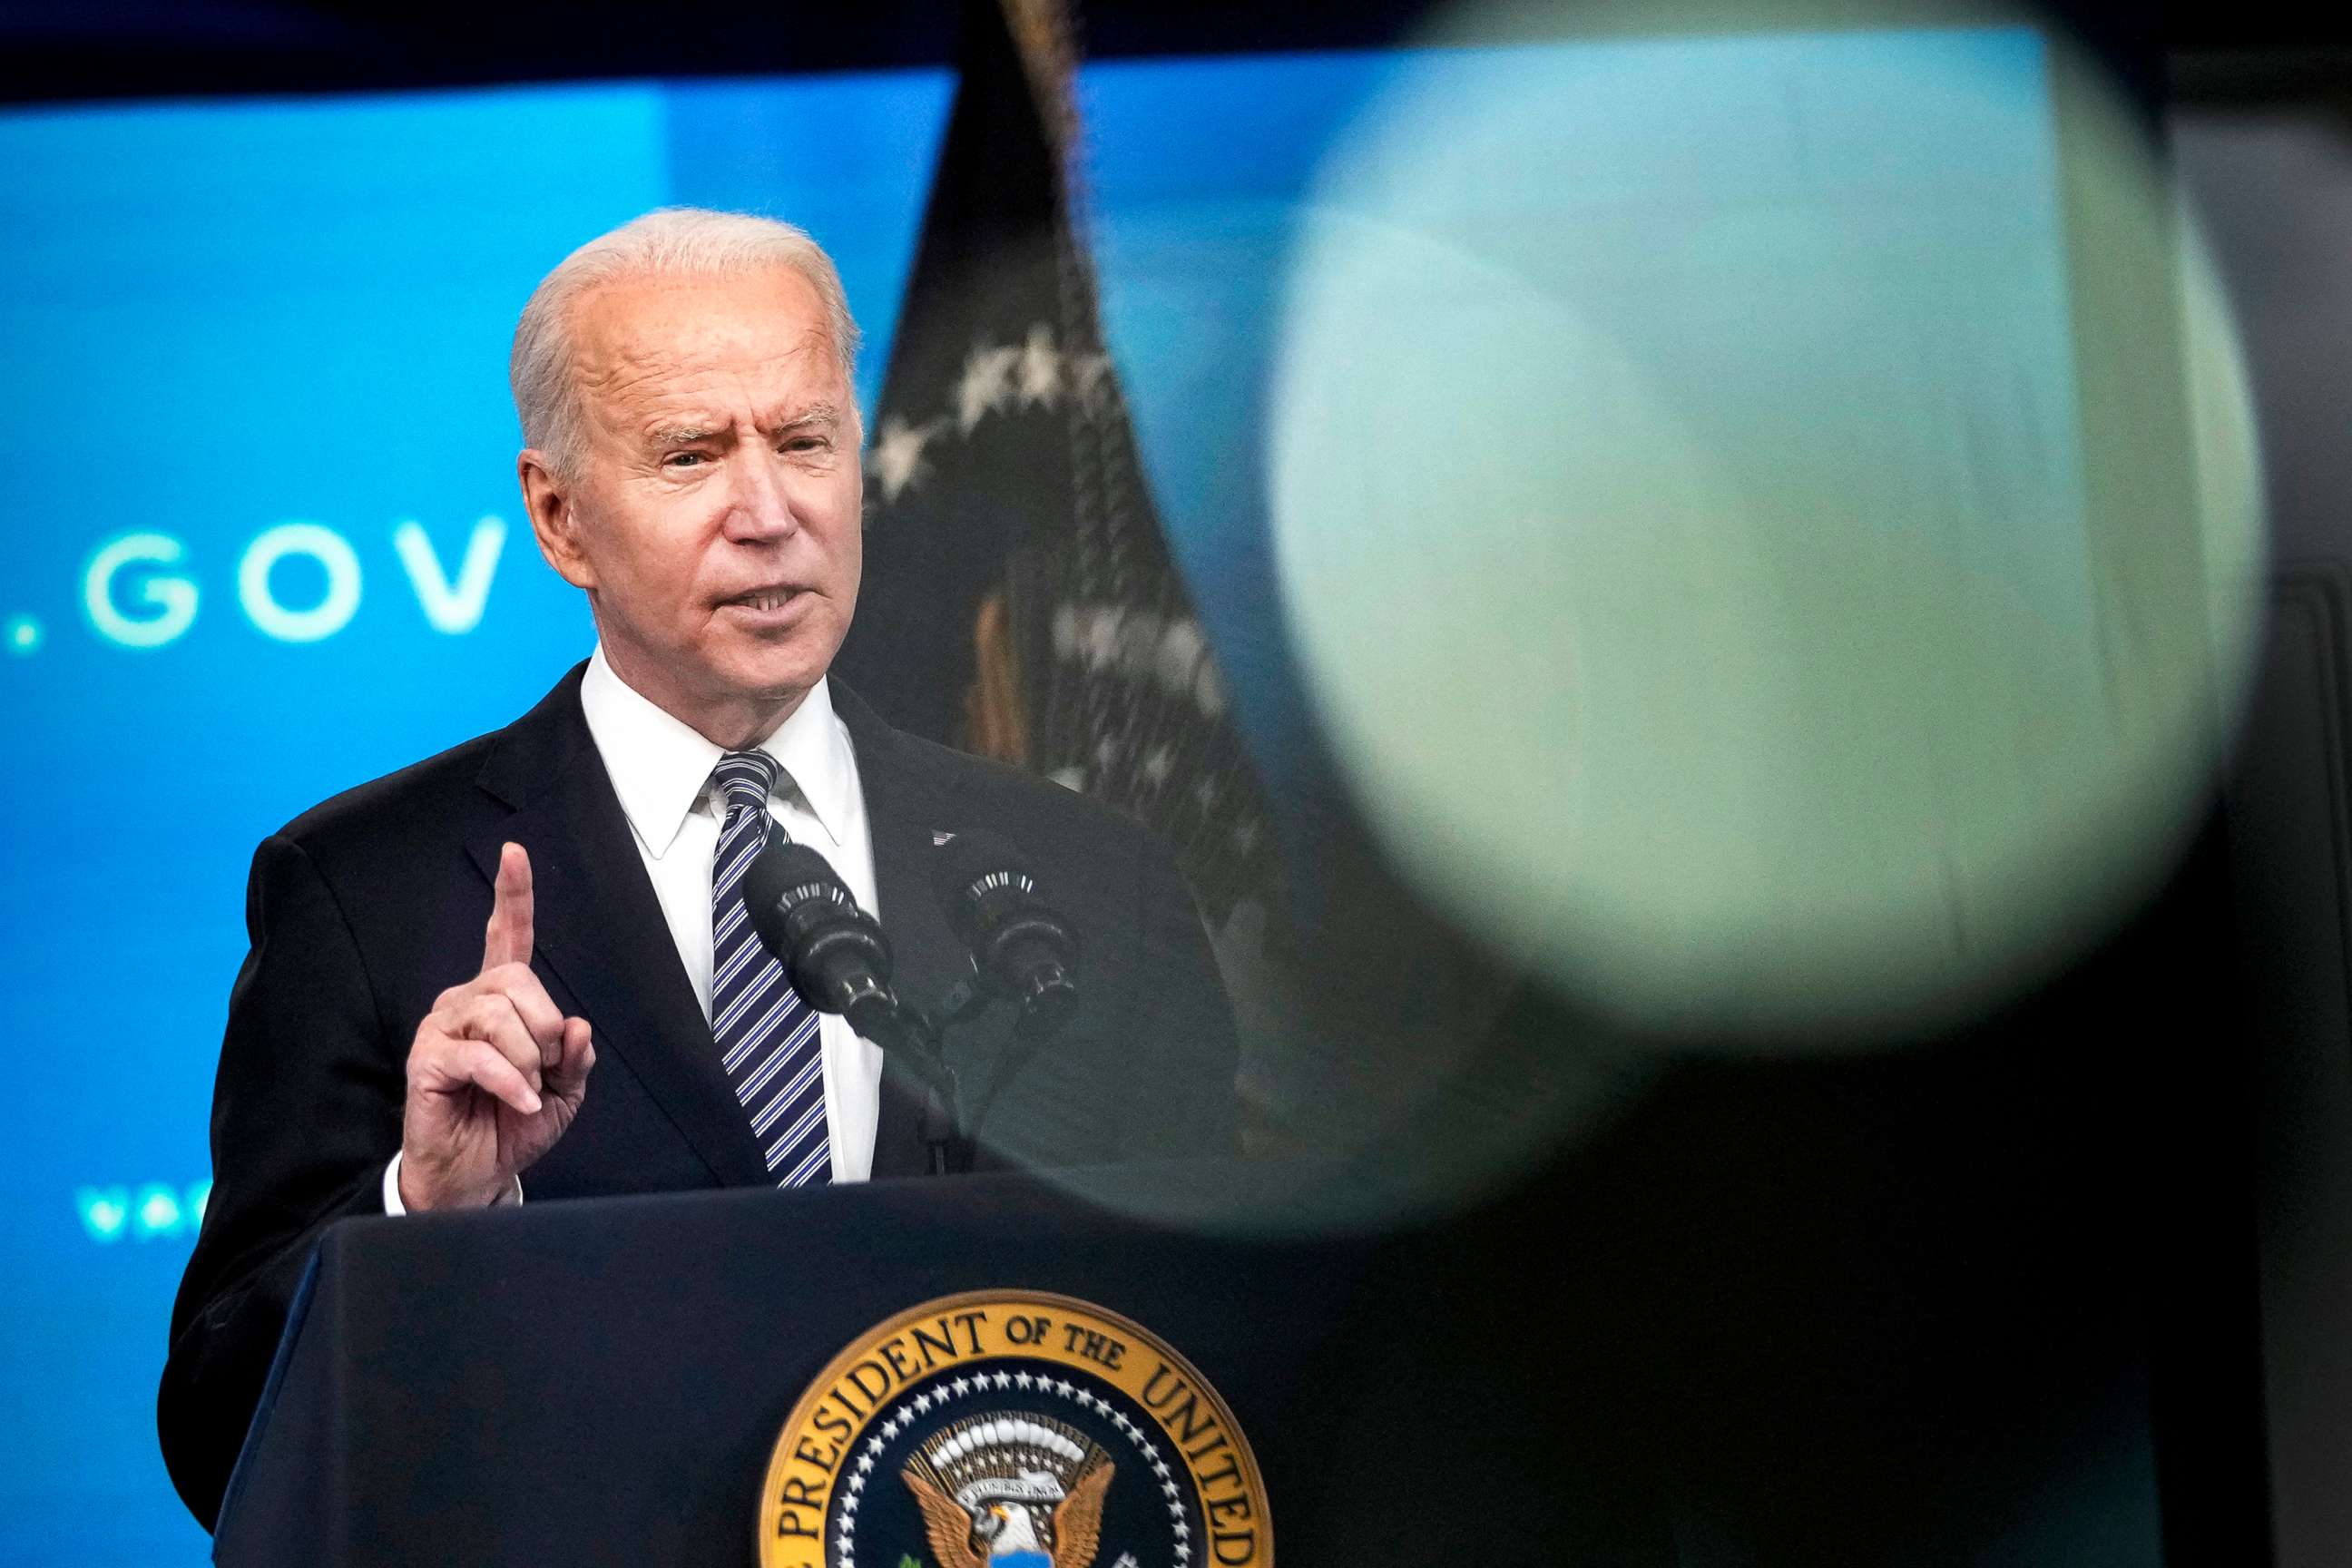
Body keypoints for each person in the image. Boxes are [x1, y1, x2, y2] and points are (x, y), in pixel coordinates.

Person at [157, 208, 1241, 1530]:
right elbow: (220, 1438)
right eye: (691, 455)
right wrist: (421, 1212)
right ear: (558, 520)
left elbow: (1228, 1347)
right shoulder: (364, 892)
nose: (768, 514)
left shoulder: (1088, 882)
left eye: (803, 442)